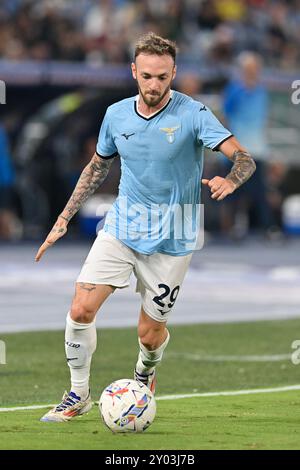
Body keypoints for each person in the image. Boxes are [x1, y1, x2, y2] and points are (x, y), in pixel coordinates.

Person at [35, 32, 256, 422]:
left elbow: (244, 158)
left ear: (174, 73)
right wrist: (63, 218)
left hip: (175, 236)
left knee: (149, 335)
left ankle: (145, 371)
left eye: (163, 77)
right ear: (134, 71)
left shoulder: (194, 114)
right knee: (81, 307)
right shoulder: (116, 115)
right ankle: (78, 394)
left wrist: (231, 180)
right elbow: (98, 166)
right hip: (123, 225)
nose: (154, 85)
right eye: (148, 76)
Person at [221, 51, 272, 237]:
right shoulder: (234, 90)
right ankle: (229, 229)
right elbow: (225, 117)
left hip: (258, 150)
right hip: (237, 151)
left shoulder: (261, 91)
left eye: (255, 68)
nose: (253, 72)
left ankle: (267, 229)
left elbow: (263, 120)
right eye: (249, 68)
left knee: (260, 192)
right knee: (231, 192)